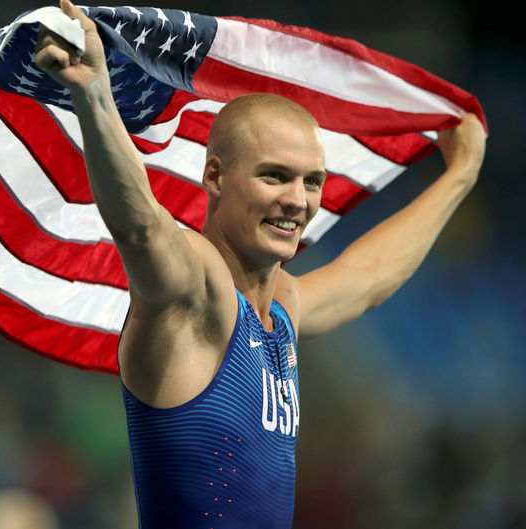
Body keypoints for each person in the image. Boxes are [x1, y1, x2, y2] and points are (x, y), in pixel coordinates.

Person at [34, 1, 486, 527]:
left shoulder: (281, 308)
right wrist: (93, 95)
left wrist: (459, 175)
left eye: (312, 181)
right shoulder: (196, 294)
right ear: (216, 177)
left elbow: (367, 280)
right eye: (275, 176)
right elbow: (140, 230)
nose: (299, 200)